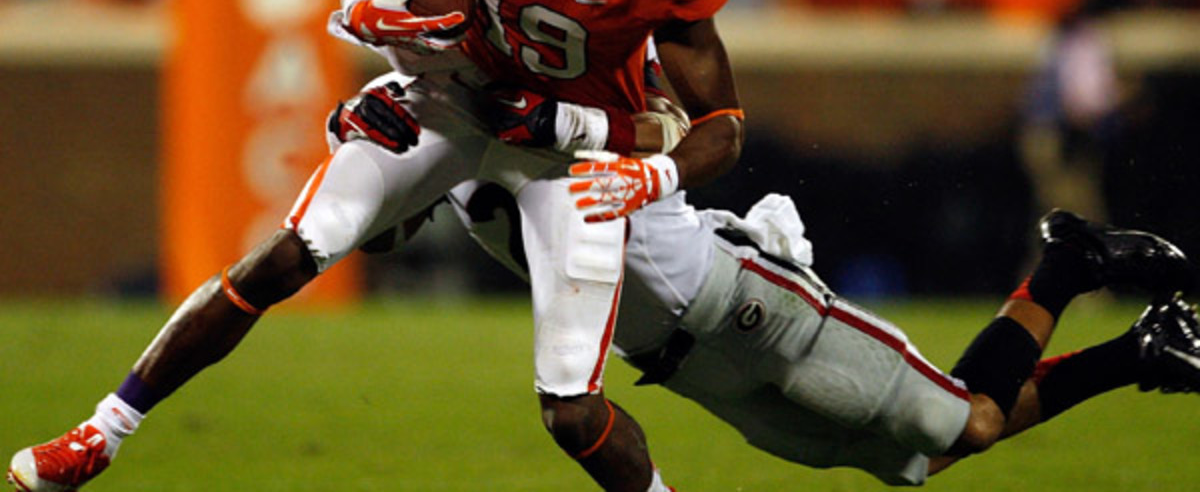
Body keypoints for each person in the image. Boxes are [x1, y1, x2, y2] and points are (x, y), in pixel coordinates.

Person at [7, 0, 743, 492]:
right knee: (287, 254)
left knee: (573, 414)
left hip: (567, 150)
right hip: (457, 95)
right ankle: (101, 433)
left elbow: (705, 127)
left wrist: (577, 131)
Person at [331, 77, 1200, 486]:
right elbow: (388, 229)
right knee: (929, 452)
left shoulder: (563, 63)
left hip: (739, 298)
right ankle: (1132, 342)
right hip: (678, 361)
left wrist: (567, 122)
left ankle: (1071, 266)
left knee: (965, 419)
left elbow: (681, 123)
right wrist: (363, 145)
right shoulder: (423, 98)